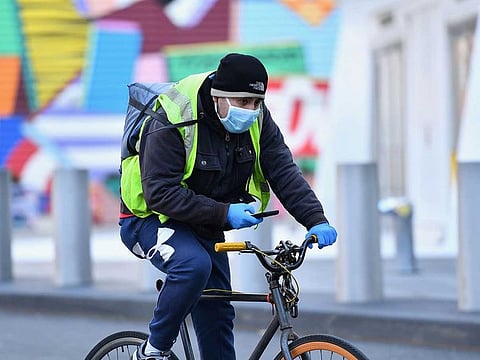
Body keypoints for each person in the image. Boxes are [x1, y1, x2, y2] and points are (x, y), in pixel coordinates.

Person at [119, 53, 337, 360]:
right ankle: (153, 350)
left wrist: (315, 219)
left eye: (256, 102)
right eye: (242, 102)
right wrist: (225, 213)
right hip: (149, 219)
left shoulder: (258, 119)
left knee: (217, 314)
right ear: (217, 96)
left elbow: (282, 170)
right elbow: (160, 193)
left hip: (203, 222)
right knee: (193, 266)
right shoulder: (173, 114)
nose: (250, 110)